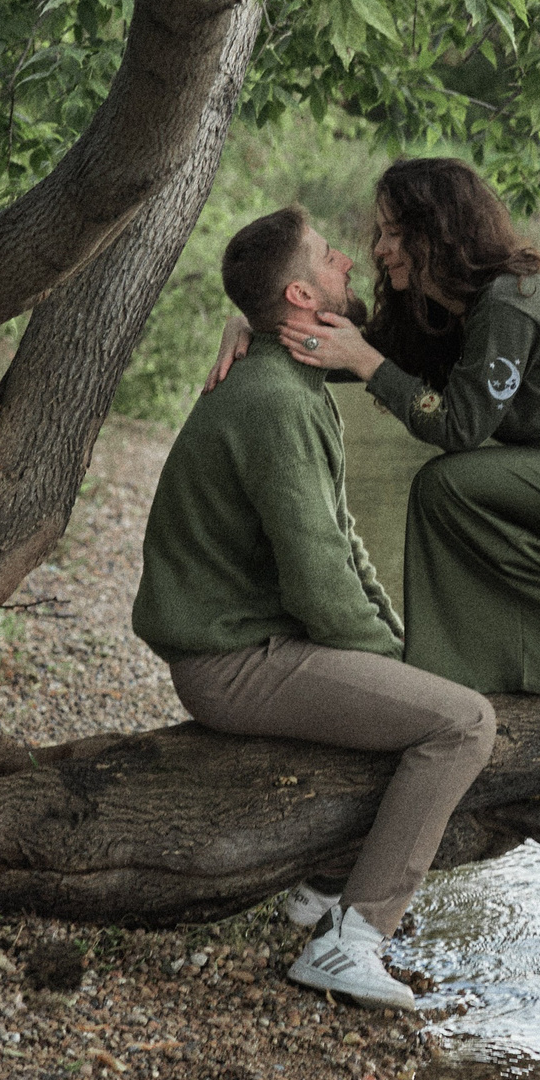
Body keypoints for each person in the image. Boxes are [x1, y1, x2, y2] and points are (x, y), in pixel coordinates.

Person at [136, 205, 496, 1010]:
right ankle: (353, 940)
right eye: (333, 258)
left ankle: (322, 886)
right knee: (463, 723)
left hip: (255, 642)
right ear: (302, 294)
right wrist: (404, 667)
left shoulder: (290, 376)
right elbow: (320, 586)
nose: (351, 265)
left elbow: (341, 544)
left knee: (424, 692)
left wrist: (400, 649)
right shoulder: (274, 401)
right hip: (232, 662)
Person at [279, 158, 540, 695]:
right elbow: (353, 353)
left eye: (394, 234)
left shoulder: (510, 302)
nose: (380, 249)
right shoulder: (456, 313)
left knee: (446, 487)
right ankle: (506, 668)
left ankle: (452, 679)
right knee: (460, 496)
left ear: (435, 235)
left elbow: (458, 427)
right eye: (380, 234)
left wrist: (369, 364)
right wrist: (255, 329)